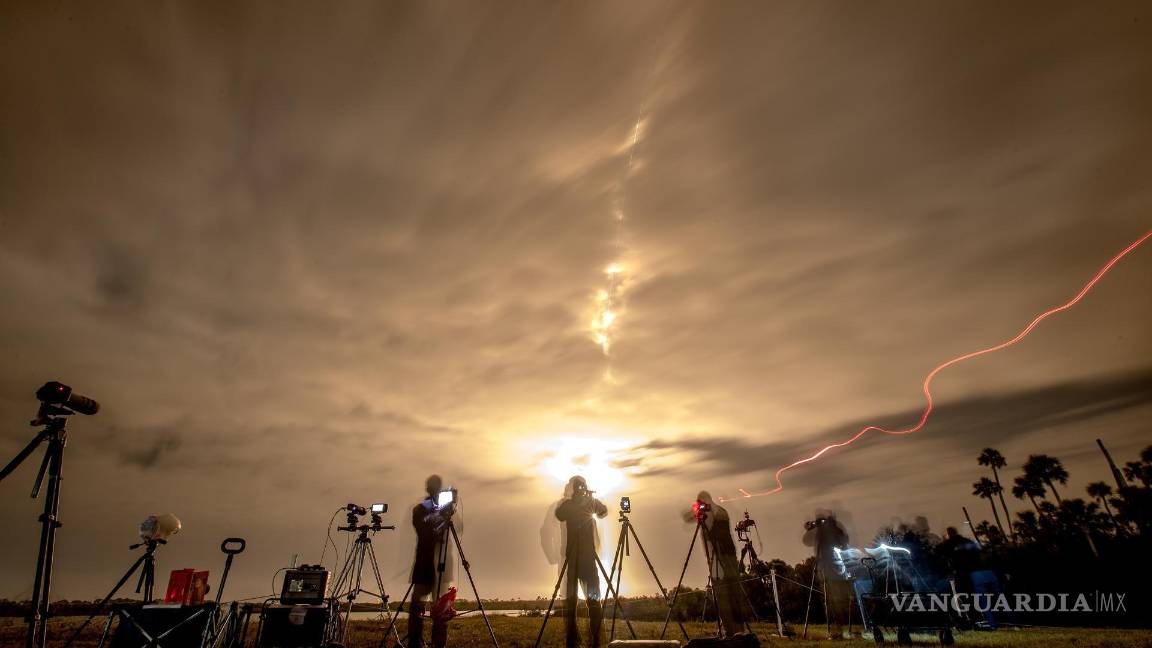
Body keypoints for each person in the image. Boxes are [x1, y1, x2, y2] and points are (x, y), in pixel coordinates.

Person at [555, 475, 608, 648]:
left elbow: (603, 511)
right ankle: (573, 640)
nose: (580, 491)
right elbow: (559, 514)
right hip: (575, 558)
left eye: (582, 488)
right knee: (572, 601)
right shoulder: (568, 505)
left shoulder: (590, 502)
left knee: (593, 600)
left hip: (586, 558)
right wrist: (577, 503)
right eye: (578, 488)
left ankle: (596, 639)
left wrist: (591, 501)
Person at [686, 491, 746, 637]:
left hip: (718, 558)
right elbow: (688, 517)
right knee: (733, 594)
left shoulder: (712, 514)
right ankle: (738, 630)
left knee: (723, 595)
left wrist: (701, 512)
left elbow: (694, 520)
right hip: (729, 556)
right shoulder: (720, 511)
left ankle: (731, 631)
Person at [409, 475, 456, 648]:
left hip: (441, 566)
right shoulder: (420, 509)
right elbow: (425, 531)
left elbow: (457, 529)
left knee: (441, 608)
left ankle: (438, 643)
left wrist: (448, 514)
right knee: (417, 605)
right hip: (425, 564)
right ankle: (416, 642)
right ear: (429, 489)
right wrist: (439, 516)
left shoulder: (444, 510)